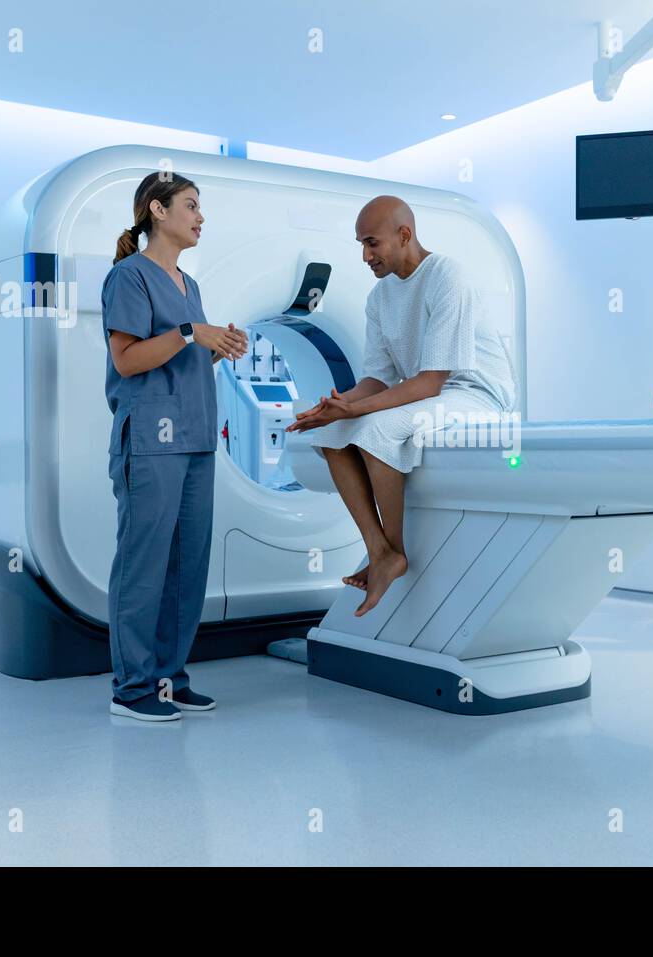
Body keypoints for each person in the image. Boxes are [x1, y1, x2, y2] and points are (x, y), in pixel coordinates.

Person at [286, 195, 517, 617]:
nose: (364, 255)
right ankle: (381, 552)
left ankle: (393, 550)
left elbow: (432, 381)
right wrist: (338, 406)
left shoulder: (448, 275)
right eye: (361, 244)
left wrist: (361, 411)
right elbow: (377, 378)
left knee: (376, 430)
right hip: (431, 391)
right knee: (332, 434)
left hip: (475, 393)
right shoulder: (379, 298)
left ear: (404, 234)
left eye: (371, 243)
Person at [101, 171, 248, 721]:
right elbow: (129, 360)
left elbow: (180, 358)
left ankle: (169, 679)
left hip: (195, 436)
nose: (200, 217)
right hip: (150, 438)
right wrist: (192, 332)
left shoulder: (191, 285)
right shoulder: (128, 277)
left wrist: (216, 346)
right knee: (144, 565)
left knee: (187, 566)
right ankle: (132, 689)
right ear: (156, 211)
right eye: (190, 206)